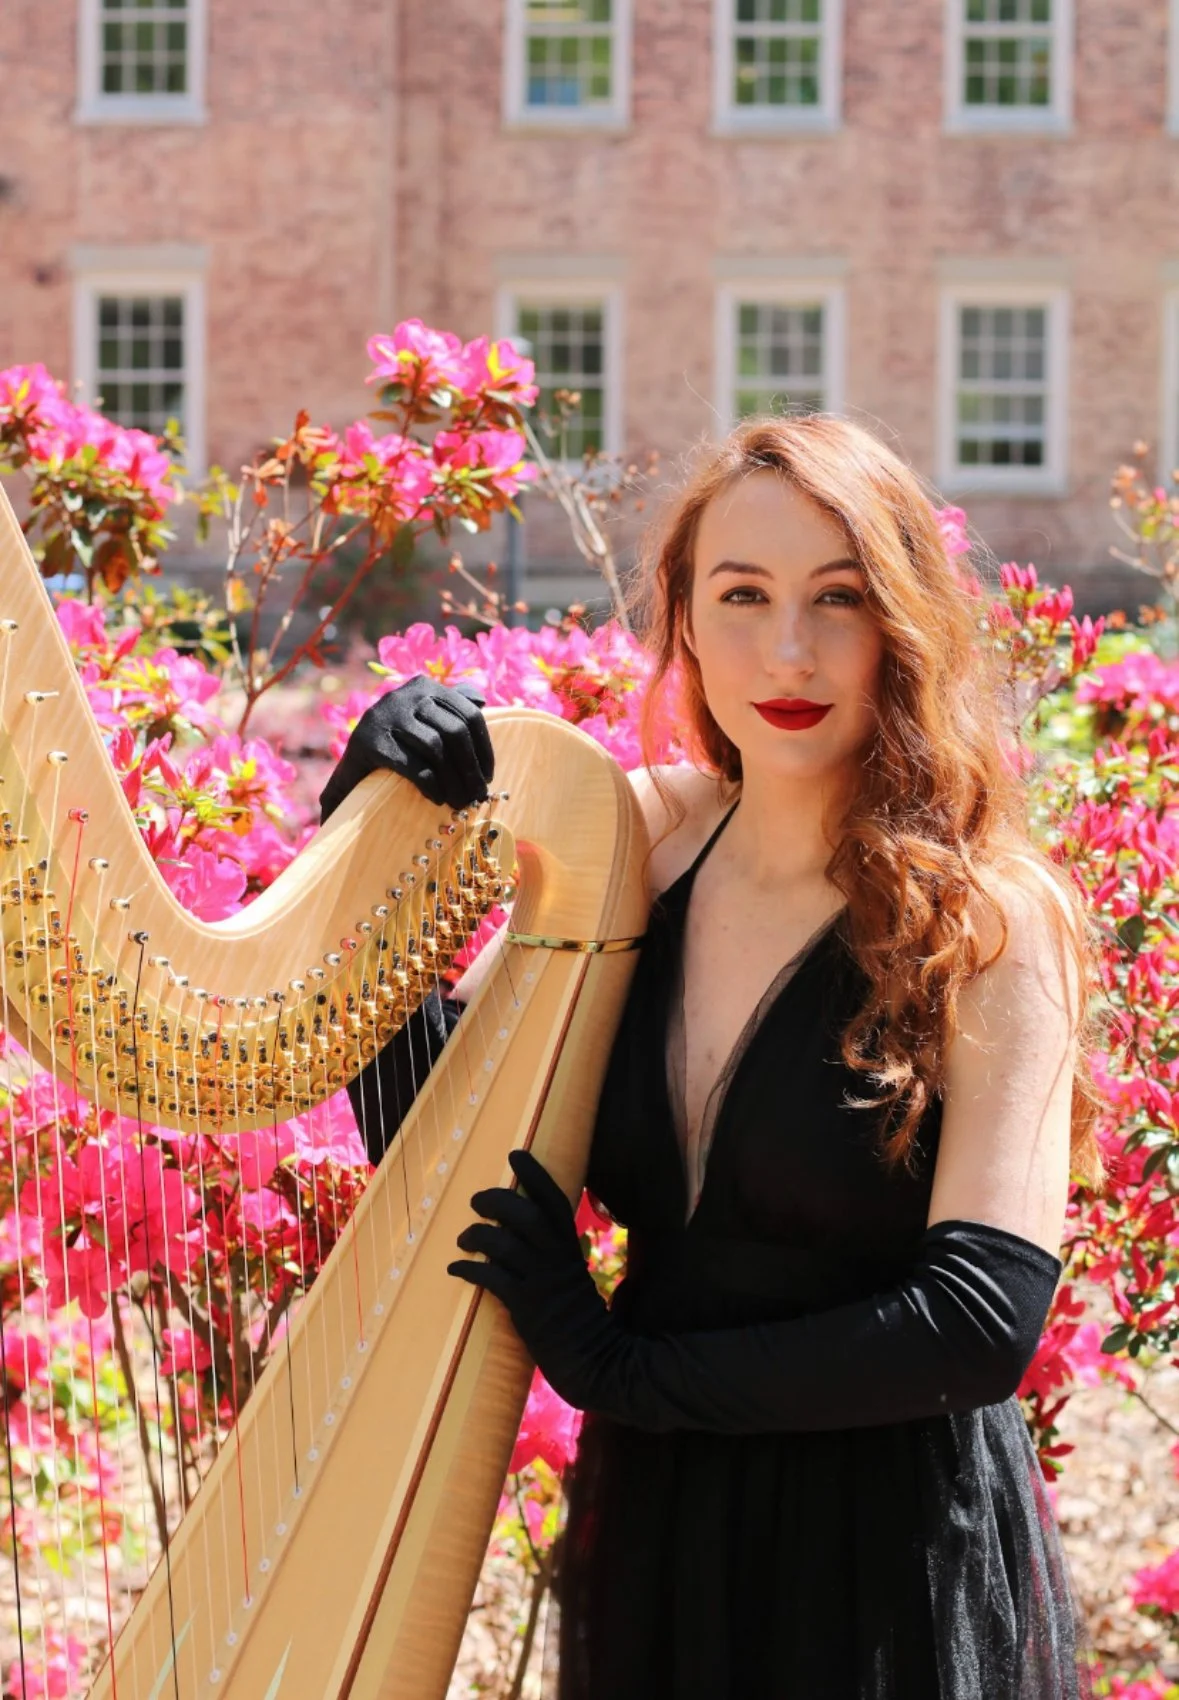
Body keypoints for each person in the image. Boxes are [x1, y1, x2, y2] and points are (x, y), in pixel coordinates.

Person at [321, 415, 1105, 1699]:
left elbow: (980, 1325)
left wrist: (624, 1366)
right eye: (742, 595)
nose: (787, 650)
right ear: (682, 617)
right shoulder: (641, 841)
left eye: (838, 600)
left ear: (904, 623)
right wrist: (371, 818)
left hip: (886, 1552)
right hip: (664, 1521)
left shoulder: (993, 917)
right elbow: (429, 1123)